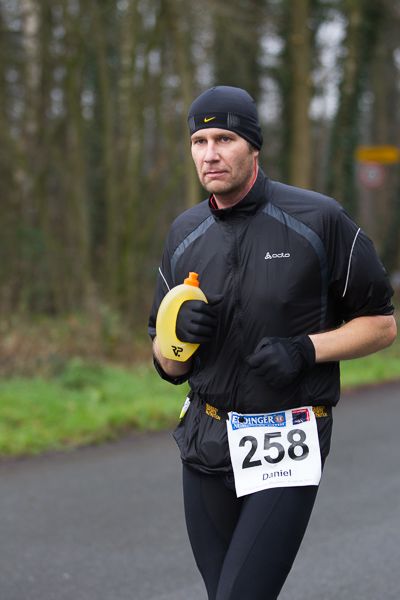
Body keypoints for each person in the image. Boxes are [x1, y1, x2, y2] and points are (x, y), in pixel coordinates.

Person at [148, 85, 397, 600]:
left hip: (286, 436)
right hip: (206, 435)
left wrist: (307, 350)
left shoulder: (319, 220)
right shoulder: (184, 233)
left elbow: (381, 324)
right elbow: (167, 362)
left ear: (254, 146)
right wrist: (176, 340)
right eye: (199, 141)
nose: (210, 154)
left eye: (225, 139)